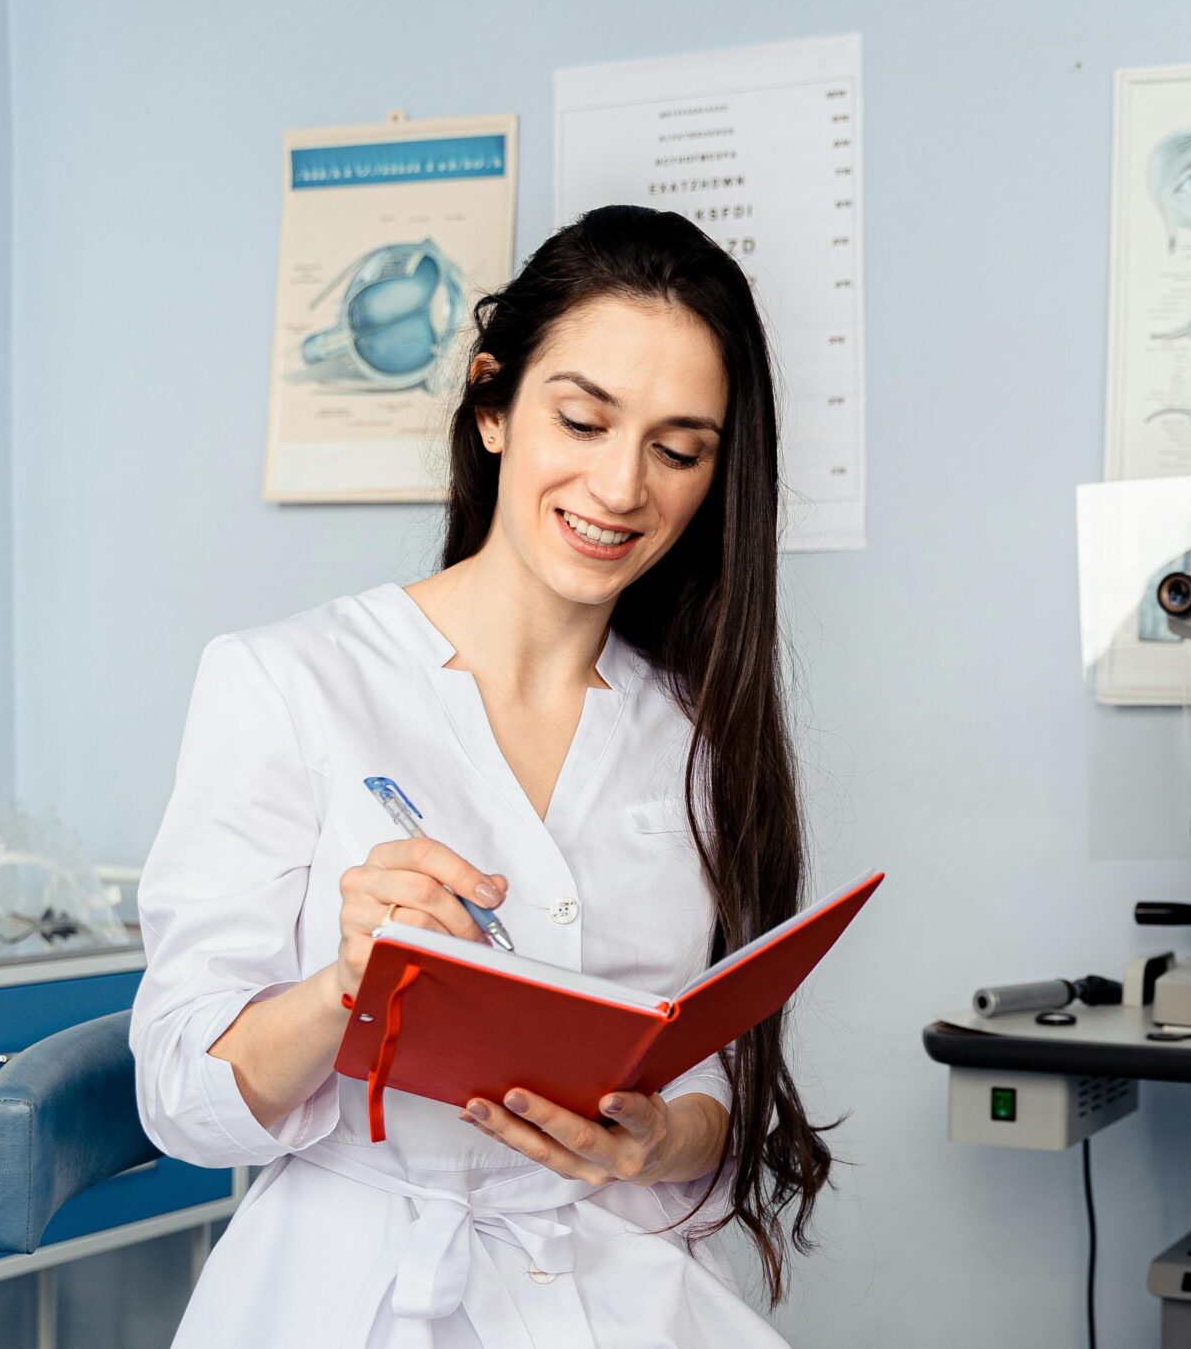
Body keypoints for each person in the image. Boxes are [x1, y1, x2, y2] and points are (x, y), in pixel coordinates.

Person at [130, 205, 834, 1349]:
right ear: (493, 403)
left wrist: (655, 1137)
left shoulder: (699, 734)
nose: (619, 487)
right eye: (583, 419)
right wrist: (339, 987)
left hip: (608, 1284)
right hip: (349, 1296)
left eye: (677, 448)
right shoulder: (287, 681)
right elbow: (180, 1098)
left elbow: (730, 1094)